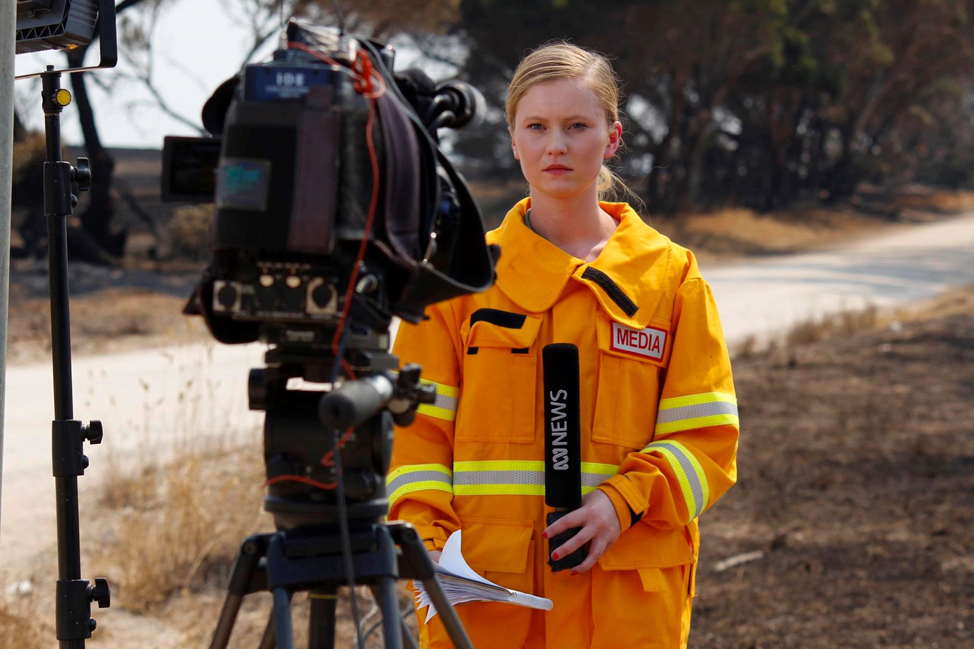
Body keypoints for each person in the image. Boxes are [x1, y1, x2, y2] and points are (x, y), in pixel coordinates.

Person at [387, 41, 739, 649]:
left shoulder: (671, 276)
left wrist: (619, 504)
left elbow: (707, 439)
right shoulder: (458, 279)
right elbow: (412, 438)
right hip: (488, 602)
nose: (557, 145)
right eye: (538, 126)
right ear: (514, 139)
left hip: (626, 603)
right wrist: (431, 547)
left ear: (612, 137)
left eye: (578, 125)